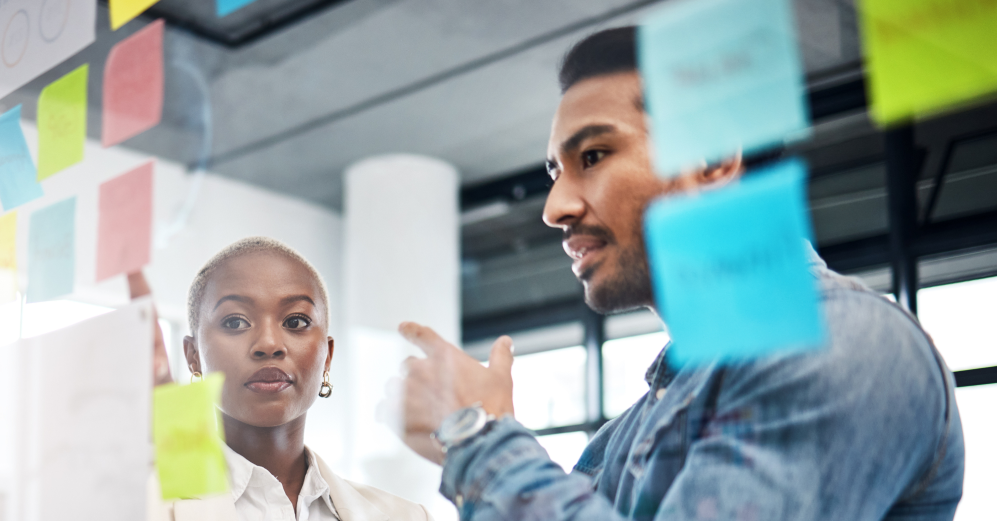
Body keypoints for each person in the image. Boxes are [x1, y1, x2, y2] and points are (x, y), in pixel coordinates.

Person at [386, 27, 965, 520]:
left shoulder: (840, 339)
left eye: (592, 157)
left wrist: (477, 436)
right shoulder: (622, 439)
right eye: (554, 171)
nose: (554, 206)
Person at [133, 237, 432, 521]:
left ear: (326, 356)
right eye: (235, 321)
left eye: (295, 321)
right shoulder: (135, 509)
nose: (268, 343)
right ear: (193, 355)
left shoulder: (406, 517)